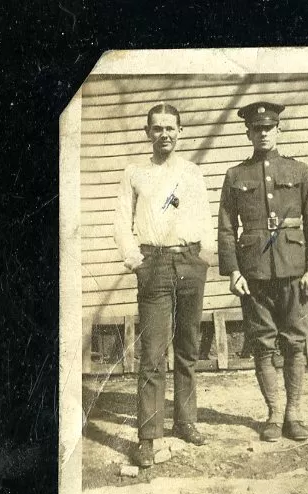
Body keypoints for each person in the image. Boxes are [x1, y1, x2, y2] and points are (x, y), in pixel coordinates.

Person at [218, 101, 308, 442]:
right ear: (247, 132)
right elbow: (225, 227)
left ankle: (294, 414)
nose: (262, 133)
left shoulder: (299, 171)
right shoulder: (236, 176)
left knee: (295, 343)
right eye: (256, 128)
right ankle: (273, 414)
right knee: (263, 346)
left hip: (294, 270)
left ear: (278, 130)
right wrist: (233, 271)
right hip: (254, 275)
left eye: (268, 127)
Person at [114, 103, 215, 467]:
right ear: (148, 133)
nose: (164, 134)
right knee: (153, 353)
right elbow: (121, 220)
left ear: (181, 131)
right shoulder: (135, 173)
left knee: (188, 347)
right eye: (157, 128)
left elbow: (204, 216)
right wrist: (135, 260)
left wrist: (204, 255)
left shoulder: (192, 173)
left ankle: (186, 422)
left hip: (189, 262)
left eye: (170, 128)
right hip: (153, 264)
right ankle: (148, 436)